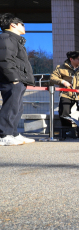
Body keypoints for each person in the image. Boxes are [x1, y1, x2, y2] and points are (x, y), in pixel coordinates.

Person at [0, 13, 35, 146]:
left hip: (18, 79)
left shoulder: (15, 40)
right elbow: (5, 59)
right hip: (11, 79)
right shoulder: (6, 38)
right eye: (22, 24)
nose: (24, 26)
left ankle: (13, 133)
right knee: (10, 106)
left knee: (17, 107)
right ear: (13, 25)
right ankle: (4, 135)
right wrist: (14, 78)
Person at [50, 51, 79, 132]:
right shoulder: (61, 68)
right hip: (67, 94)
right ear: (71, 59)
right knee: (63, 113)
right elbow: (52, 77)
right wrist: (62, 82)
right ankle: (67, 131)